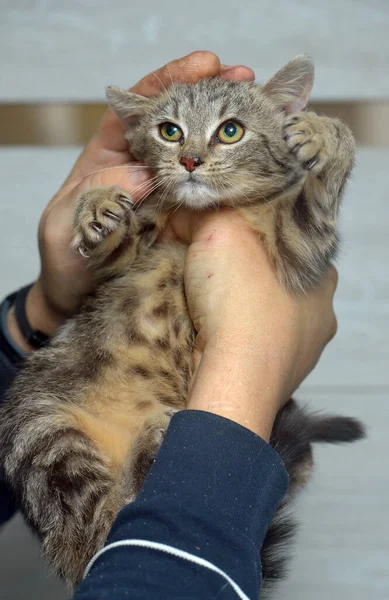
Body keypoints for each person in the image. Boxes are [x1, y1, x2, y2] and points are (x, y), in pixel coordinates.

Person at [0, 52, 338, 598]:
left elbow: (312, 235)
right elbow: (114, 257)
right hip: (105, 402)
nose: (192, 157)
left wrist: (330, 148)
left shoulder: (272, 199)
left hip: (172, 421)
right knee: (31, 422)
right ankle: (120, 538)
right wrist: (101, 213)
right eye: (170, 132)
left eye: (228, 131)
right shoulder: (154, 209)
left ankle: (148, 520)